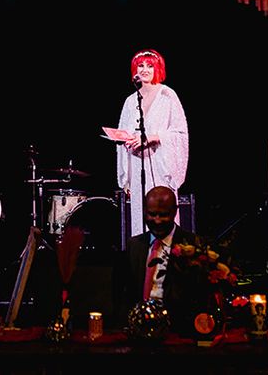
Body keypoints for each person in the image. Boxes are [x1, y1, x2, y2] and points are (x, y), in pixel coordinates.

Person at [112, 186, 212, 336]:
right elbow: (124, 295)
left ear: (175, 212)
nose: (157, 221)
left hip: (178, 334)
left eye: (163, 215)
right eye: (152, 214)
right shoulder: (134, 245)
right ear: (145, 211)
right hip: (139, 334)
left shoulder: (194, 245)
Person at [115, 48, 188, 237]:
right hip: (138, 164)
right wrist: (125, 139)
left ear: (158, 69)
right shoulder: (130, 101)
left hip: (160, 163)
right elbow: (125, 131)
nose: (145, 70)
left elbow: (180, 132)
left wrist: (154, 137)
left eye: (150, 66)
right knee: (140, 216)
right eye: (141, 66)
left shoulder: (167, 95)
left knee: (161, 211)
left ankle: (165, 260)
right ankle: (142, 261)